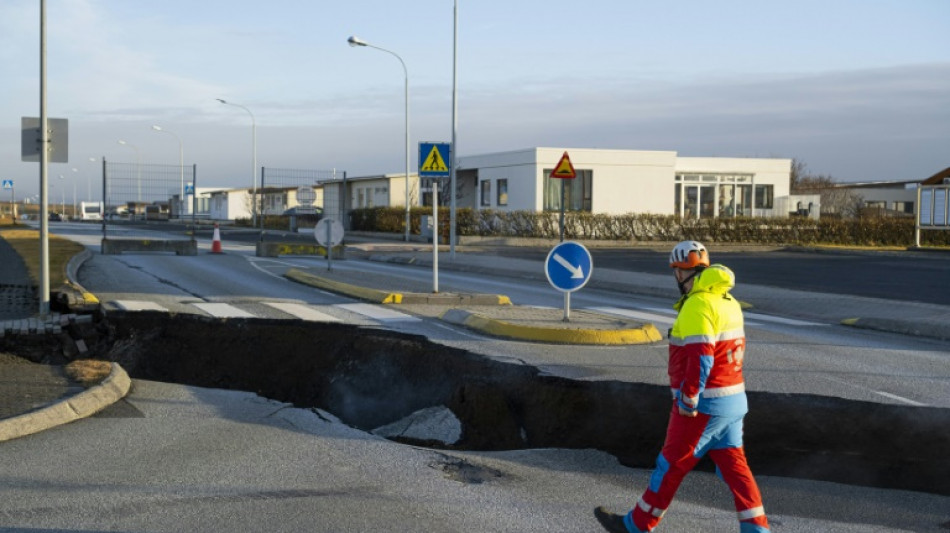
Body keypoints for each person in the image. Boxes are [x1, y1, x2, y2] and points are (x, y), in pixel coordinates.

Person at [595, 240, 770, 533]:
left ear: (681, 272)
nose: (675, 276)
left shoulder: (697, 305)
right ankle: (757, 529)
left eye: (676, 270)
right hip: (733, 401)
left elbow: (701, 358)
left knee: (670, 466)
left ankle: (636, 525)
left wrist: (689, 398)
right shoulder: (728, 301)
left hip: (704, 405)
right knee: (736, 469)